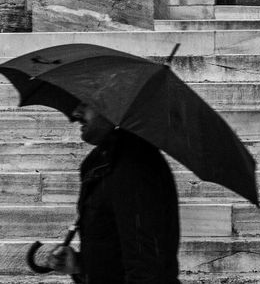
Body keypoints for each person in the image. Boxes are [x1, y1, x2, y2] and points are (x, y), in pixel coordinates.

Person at [41, 102, 181, 284]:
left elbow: (146, 265)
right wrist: (80, 265)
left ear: (117, 107)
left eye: (86, 103)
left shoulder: (135, 165)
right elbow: (115, 250)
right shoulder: (102, 161)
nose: (76, 112)